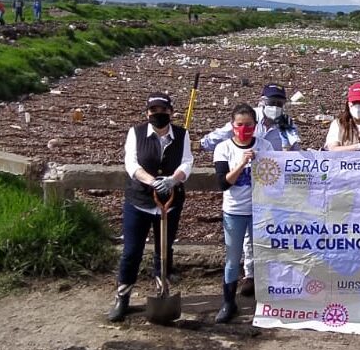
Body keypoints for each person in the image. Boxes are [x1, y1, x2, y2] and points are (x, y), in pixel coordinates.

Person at [201, 83, 301, 296]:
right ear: (262, 101)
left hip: (269, 186)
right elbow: (216, 139)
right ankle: (248, 276)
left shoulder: (286, 122)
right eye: (271, 102)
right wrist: (209, 145)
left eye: (279, 103)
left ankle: (265, 279)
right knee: (241, 243)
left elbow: (295, 150)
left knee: (264, 237)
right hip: (239, 196)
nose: (275, 106)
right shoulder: (247, 118)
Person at [108, 92, 193, 322]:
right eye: (153, 110)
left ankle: (161, 291)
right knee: (131, 252)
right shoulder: (136, 133)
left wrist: (173, 180)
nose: (158, 114)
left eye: (163, 110)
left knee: (163, 251)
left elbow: (187, 161)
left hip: (170, 202)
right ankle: (122, 297)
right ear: (147, 113)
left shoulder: (182, 134)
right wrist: (151, 181)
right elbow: (131, 163)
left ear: (171, 112)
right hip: (139, 201)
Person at [213, 104, 274, 323]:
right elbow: (223, 183)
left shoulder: (265, 146)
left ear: (255, 126)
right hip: (235, 212)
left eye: (249, 125)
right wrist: (242, 163)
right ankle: (228, 302)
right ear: (232, 125)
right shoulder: (223, 148)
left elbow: (274, 178)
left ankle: (266, 300)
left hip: (260, 211)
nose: (244, 129)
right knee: (232, 258)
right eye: (240, 125)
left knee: (264, 255)